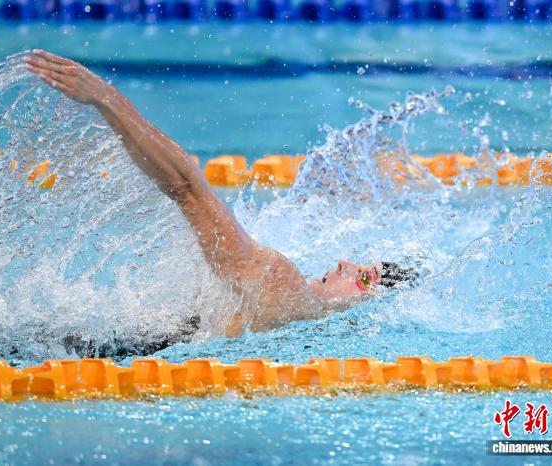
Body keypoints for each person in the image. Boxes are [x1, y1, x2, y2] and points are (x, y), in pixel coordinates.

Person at [24, 50, 418, 346]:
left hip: (89, 353)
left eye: (363, 277)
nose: (346, 263)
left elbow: (187, 189)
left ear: (365, 309)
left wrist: (107, 99)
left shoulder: (283, 289)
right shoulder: (301, 325)